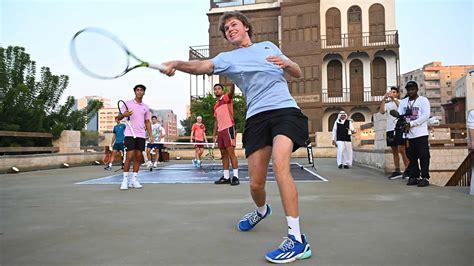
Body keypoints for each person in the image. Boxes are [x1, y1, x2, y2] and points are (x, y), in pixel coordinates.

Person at [161, 10, 312, 263]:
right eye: (226, 29)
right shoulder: (228, 58)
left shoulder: (267, 46)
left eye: (233, 25)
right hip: (256, 118)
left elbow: (297, 72)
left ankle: (297, 239)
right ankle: (262, 210)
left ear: (246, 27)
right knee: (255, 184)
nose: (229, 29)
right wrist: (177, 64)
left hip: (285, 111)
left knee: (281, 164)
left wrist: (287, 64)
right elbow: (201, 66)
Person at [118, 84, 153, 190]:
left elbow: (147, 122)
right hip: (129, 134)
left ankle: (134, 180)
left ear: (144, 93)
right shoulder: (127, 104)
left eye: (141, 90)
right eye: (137, 90)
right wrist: (124, 114)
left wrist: (150, 135)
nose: (139, 92)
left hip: (141, 135)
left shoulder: (145, 107)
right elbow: (118, 117)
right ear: (135, 92)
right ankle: (125, 181)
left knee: (138, 158)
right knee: (129, 157)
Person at [397, 81, 431, 187]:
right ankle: (414, 176)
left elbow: (426, 115)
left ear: (417, 89)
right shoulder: (403, 102)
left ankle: (424, 177)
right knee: (411, 156)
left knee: (424, 156)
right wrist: (402, 121)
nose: (411, 91)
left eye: (413, 89)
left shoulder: (423, 100)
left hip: (420, 133)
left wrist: (412, 123)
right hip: (408, 134)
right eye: (409, 89)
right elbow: (399, 114)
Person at [379, 86, 409, 179]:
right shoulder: (387, 104)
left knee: (402, 150)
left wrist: (394, 99)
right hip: (390, 129)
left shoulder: (401, 102)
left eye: (394, 92)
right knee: (394, 151)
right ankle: (397, 170)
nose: (392, 93)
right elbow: (382, 111)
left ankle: (408, 169)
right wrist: (383, 100)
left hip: (399, 128)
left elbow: (401, 109)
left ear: (397, 94)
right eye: (391, 92)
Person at [212, 83, 240, 186]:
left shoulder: (226, 98)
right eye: (215, 89)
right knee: (223, 154)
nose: (217, 90)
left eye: (219, 89)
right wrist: (214, 134)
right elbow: (216, 121)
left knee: (231, 152)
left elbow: (232, 92)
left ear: (222, 91)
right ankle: (226, 176)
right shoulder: (215, 105)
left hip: (229, 128)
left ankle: (236, 177)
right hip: (220, 131)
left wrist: (233, 81)